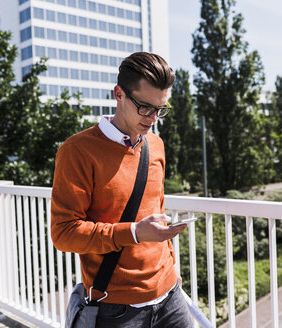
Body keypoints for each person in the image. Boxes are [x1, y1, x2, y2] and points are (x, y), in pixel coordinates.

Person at [51, 52, 193, 327]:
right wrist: (134, 233)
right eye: (145, 107)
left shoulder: (156, 146)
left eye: (160, 109)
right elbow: (64, 233)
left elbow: (157, 209)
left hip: (170, 294)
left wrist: (172, 267)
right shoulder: (77, 151)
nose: (153, 118)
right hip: (115, 308)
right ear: (119, 94)